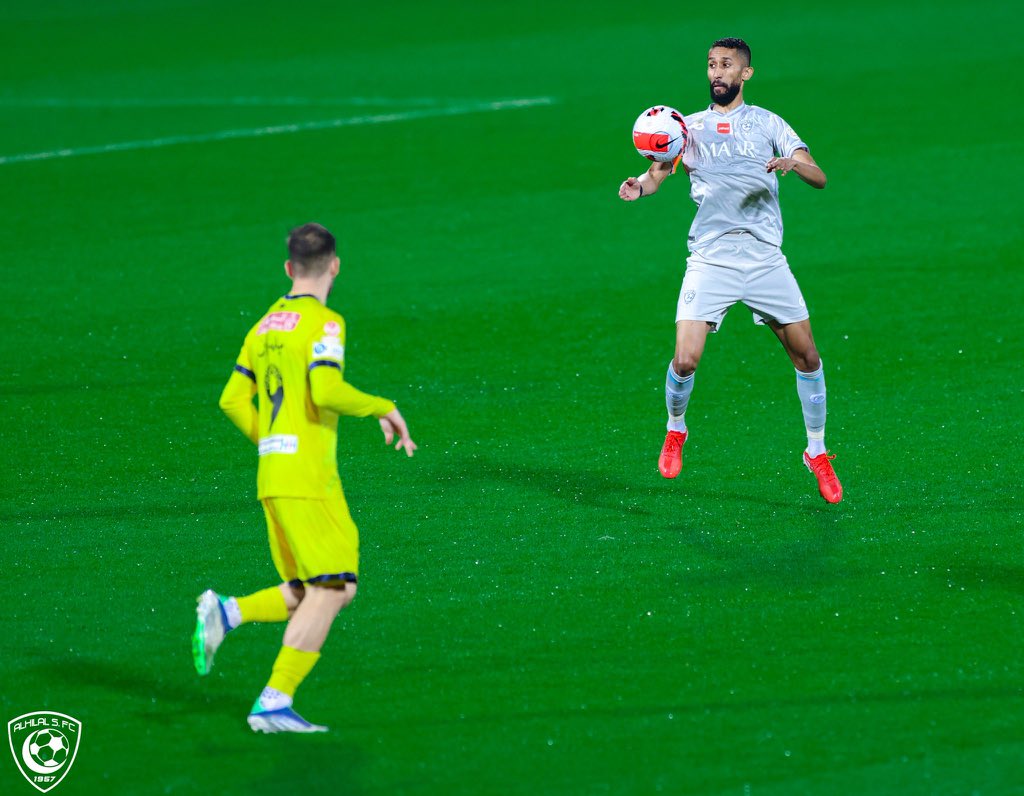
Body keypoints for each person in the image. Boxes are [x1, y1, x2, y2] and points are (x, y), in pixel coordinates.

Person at [192, 222, 416, 733]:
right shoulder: (326, 323)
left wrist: (272, 444)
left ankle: (228, 614)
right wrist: (383, 406)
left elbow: (231, 400)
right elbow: (325, 389)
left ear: (289, 268)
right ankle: (273, 703)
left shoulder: (264, 325)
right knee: (333, 587)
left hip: (273, 474)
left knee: (316, 587)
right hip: (307, 477)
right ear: (334, 266)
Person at [618, 37, 842, 503]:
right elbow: (658, 173)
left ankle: (817, 452)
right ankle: (675, 429)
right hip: (711, 260)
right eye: (711, 64)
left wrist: (791, 164)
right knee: (685, 359)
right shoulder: (688, 127)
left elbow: (818, 176)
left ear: (746, 73)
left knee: (808, 358)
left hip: (764, 260)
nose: (716, 72)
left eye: (727, 65)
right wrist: (638, 187)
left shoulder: (768, 123)